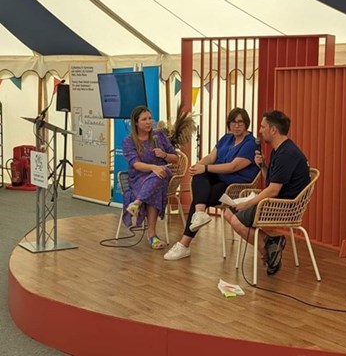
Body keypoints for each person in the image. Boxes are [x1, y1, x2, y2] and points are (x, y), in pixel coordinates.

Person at [164, 107, 260, 261]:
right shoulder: (226, 138)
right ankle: (200, 215)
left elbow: (233, 167)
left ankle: (185, 243)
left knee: (198, 199)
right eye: (233, 122)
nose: (236, 126)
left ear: (246, 124)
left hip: (234, 186)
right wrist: (198, 166)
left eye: (240, 122)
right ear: (229, 124)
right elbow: (211, 156)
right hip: (219, 178)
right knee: (200, 174)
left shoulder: (250, 143)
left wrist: (205, 168)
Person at [224, 110, 310, 275]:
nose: (260, 131)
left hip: (282, 206)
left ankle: (269, 251)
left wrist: (247, 203)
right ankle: (271, 244)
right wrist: (263, 166)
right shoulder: (279, 150)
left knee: (235, 221)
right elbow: (272, 182)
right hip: (274, 201)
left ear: (273, 130)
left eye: (263, 127)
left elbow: (273, 190)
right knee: (228, 213)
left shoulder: (286, 154)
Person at [122, 106, 178, 250]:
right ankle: (152, 235)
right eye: (144, 119)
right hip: (139, 177)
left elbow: (175, 158)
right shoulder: (129, 141)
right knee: (156, 185)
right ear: (136, 123)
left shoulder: (159, 136)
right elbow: (136, 164)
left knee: (160, 175)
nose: (148, 122)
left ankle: (137, 202)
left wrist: (164, 155)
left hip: (163, 173)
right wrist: (153, 167)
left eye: (149, 118)